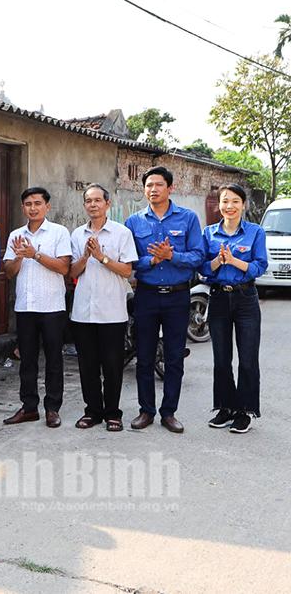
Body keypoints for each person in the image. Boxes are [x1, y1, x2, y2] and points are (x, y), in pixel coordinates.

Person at [125, 166, 205, 433]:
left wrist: (172, 257)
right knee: (145, 357)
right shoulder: (134, 222)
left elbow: (198, 256)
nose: (153, 189)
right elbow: (130, 261)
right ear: (144, 189)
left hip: (178, 296)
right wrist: (153, 259)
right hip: (146, 296)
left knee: (173, 358)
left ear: (170, 188)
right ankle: (145, 411)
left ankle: (169, 412)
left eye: (159, 185)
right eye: (149, 185)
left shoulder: (188, 218)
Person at [68, 184, 138, 432]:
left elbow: (128, 271)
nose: (93, 205)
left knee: (112, 366)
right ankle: (92, 411)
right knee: (87, 366)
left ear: (107, 204)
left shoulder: (121, 233)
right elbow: (71, 273)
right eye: (88, 201)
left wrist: (101, 257)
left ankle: (113, 413)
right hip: (83, 311)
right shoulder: (77, 235)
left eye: (98, 200)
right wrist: (86, 257)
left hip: (112, 311)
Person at [2, 187, 72, 428]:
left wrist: (35, 254)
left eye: (37, 203)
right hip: (25, 307)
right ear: (23, 207)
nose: (33, 208)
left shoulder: (59, 232)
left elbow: (64, 268)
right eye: (28, 204)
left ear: (47, 207)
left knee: (54, 359)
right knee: (27, 360)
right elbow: (9, 272)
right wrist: (21, 256)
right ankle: (29, 407)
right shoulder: (15, 235)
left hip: (52, 305)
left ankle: (52, 408)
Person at [201, 183, 267, 434]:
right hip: (218, 298)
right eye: (225, 201)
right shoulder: (209, 233)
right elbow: (204, 268)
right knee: (221, 359)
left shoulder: (255, 232)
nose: (229, 206)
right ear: (219, 205)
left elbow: (260, 266)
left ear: (243, 205)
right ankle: (225, 408)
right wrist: (218, 260)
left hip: (246, 299)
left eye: (235, 201)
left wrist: (234, 260)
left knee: (248, 359)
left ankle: (245, 411)